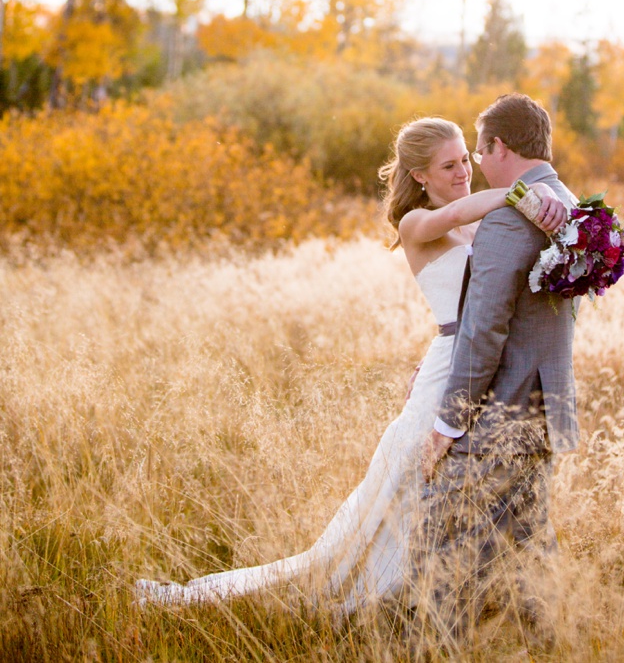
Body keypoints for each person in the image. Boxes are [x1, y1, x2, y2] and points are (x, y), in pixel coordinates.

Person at [135, 116, 567, 612]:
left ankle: (439, 591)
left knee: (442, 490)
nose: (462, 172)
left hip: (469, 362)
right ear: (420, 176)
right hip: (449, 371)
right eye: (448, 166)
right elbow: (456, 222)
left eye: (465, 160)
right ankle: (376, 596)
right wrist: (517, 193)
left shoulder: (481, 220)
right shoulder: (418, 223)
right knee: (405, 487)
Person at [415, 94, 579, 644]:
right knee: (530, 547)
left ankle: (440, 651)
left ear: (500, 147)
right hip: (546, 404)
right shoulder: (566, 202)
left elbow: (484, 328)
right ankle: (549, 647)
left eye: (479, 153)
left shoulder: (514, 216)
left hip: (499, 413)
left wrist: (447, 423)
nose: (475, 167)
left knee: (441, 550)